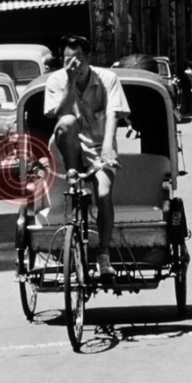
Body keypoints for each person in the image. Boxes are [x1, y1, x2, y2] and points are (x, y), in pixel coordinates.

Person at [44, 34, 129, 279]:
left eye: (78, 58)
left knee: (103, 195)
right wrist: (70, 81)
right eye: (68, 59)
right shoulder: (56, 80)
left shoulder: (108, 79)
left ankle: (103, 255)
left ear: (88, 58)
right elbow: (58, 115)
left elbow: (113, 115)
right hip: (66, 148)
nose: (74, 63)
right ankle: (72, 173)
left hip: (98, 146)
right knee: (67, 121)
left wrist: (108, 149)